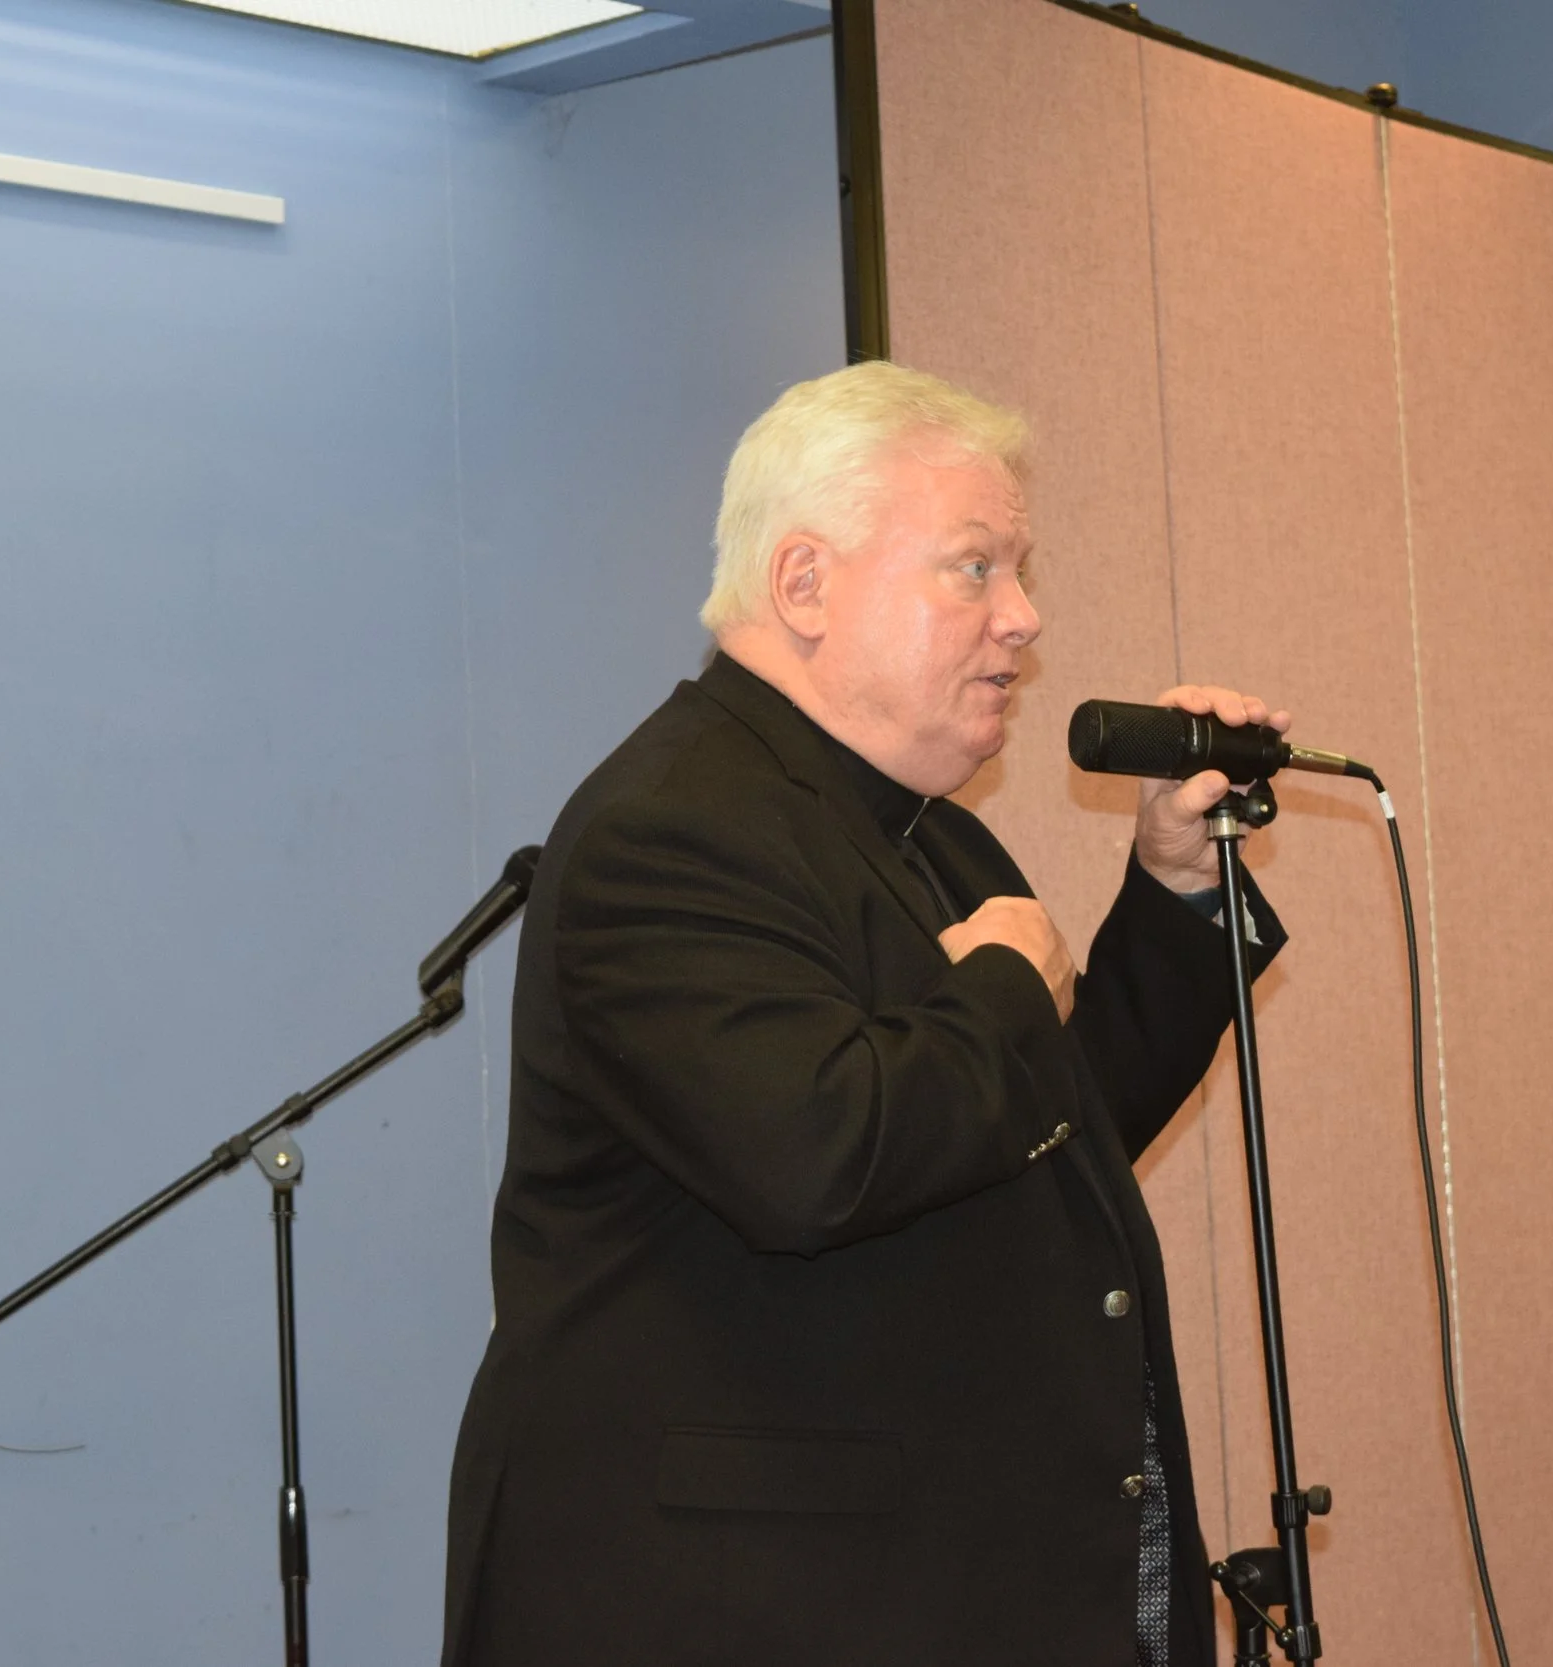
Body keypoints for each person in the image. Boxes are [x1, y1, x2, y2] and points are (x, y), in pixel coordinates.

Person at [440, 362, 1287, 1666]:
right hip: (748, 1613)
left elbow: (1044, 1132)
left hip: (931, 1588)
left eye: (1019, 573)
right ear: (804, 584)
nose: (1024, 618)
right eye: (975, 568)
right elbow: (818, 1153)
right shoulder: (668, 830)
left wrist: (1174, 887)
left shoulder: (929, 836)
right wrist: (1004, 986)